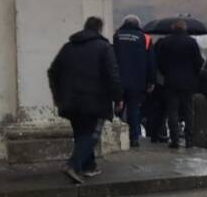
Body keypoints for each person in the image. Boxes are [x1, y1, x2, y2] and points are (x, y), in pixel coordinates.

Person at [48, 17, 123, 184]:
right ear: (99, 29)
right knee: (91, 135)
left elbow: (53, 71)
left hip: (71, 101)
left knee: (81, 133)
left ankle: (89, 166)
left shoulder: (68, 47)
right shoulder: (104, 47)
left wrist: (58, 95)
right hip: (95, 100)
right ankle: (73, 165)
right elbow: (113, 75)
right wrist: (118, 98)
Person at [154, 19, 203, 149]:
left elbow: (159, 62)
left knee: (172, 111)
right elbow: (199, 61)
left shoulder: (166, 42)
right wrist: (193, 74)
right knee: (188, 111)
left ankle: (175, 139)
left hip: (171, 81)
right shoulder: (191, 42)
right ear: (185, 28)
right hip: (188, 81)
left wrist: (166, 73)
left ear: (172, 27)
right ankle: (189, 140)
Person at [113, 15, 155, 148]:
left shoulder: (117, 36)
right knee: (134, 109)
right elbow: (151, 62)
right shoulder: (146, 38)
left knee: (118, 107)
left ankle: (116, 135)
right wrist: (151, 81)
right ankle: (134, 138)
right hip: (137, 80)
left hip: (119, 79)